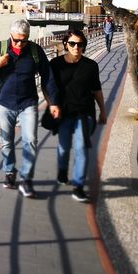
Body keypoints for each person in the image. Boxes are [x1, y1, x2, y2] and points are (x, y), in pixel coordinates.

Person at [0, 19, 60, 198]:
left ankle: (26, 179)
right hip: (4, 103)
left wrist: (53, 102)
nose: (19, 44)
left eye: (23, 40)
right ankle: (9, 172)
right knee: (7, 140)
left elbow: (47, 77)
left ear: (28, 37)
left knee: (31, 140)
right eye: (16, 40)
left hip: (28, 103)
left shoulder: (34, 51)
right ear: (10, 36)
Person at [50, 29, 107, 202]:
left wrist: (103, 111)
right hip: (64, 112)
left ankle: (78, 186)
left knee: (81, 147)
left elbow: (97, 90)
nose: (76, 47)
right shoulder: (55, 64)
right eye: (73, 43)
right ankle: (62, 171)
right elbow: (49, 87)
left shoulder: (91, 66)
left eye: (80, 44)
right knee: (64, 146)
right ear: (65, 44)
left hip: (85, 112)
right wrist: (52, 104)